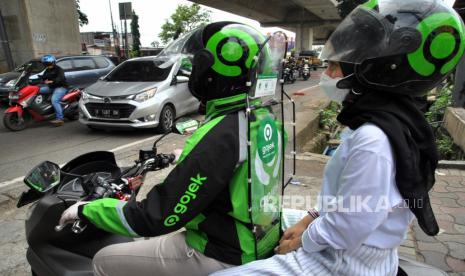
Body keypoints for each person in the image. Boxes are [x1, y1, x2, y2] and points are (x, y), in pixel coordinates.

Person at [212, 0, 465, 275]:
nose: (327, 75)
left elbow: (348, 225)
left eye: (335, 66)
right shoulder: (391, 123)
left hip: (343, 262)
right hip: (352, 247)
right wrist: (309, 218)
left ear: (376, 71)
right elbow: (346, 204)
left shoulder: (373, 139)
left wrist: (301, 240)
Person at [59, 22, 284, 276]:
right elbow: (239, 171)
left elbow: (158, 217)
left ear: (215, 71)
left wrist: (87, 210)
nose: (194, 73)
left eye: (198, 65)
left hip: (224, 249)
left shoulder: (222, 133)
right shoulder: (263, 117)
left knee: (103, 260)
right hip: (260, 237)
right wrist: (188, 161)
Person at [39, 54, 68, 126]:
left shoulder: (59, 69)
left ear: (53, 62)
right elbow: (43, 77)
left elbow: (61, 78)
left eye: (49, 63)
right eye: (46, 64)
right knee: (38, 90)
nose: (48, 65)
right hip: (52, 87)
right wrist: (38, 79)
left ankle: (60, 119)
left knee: (54, 100)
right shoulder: (47, 70)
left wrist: (52, 81)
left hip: (61, 87)